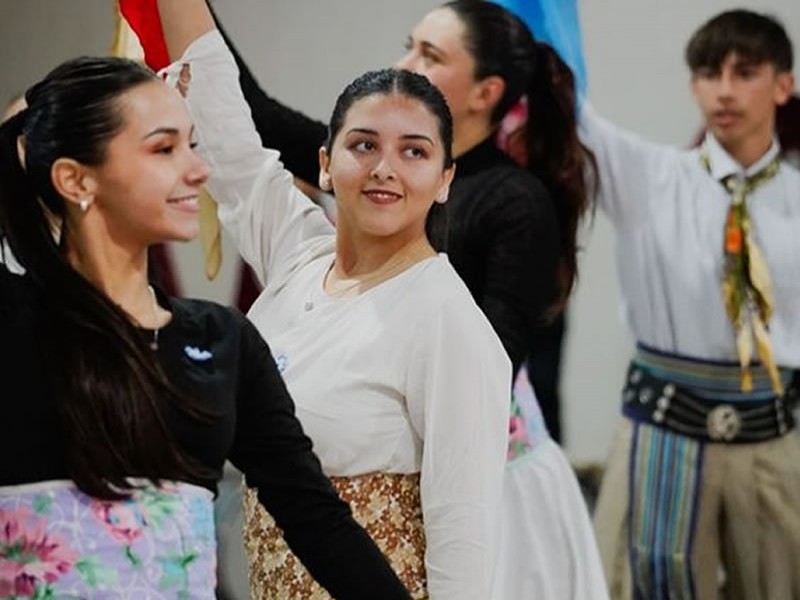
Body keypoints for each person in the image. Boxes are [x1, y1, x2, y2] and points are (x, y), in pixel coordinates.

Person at [0, 49, 415, 600]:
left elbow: (317, 520)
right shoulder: (10, 319)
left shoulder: (222, 341)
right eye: (163, 148)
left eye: (192, 145)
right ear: (76, 180)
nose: (196, 170)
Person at [151, 0, 511, 599]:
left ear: (447, 178)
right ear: (324, 163)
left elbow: (465, 542)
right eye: (363, 145)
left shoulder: (448, 320)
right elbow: (229, 140)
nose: (384, 170)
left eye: (415, 152)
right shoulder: (299, 254)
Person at [579, 9, 800, 600]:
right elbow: (570, 110)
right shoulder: (652, 176)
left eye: (745, 72)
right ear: (692, 84)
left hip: (776, 435)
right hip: (662, 435)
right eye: (708, 72)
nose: (723, 90)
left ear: (783, 84)